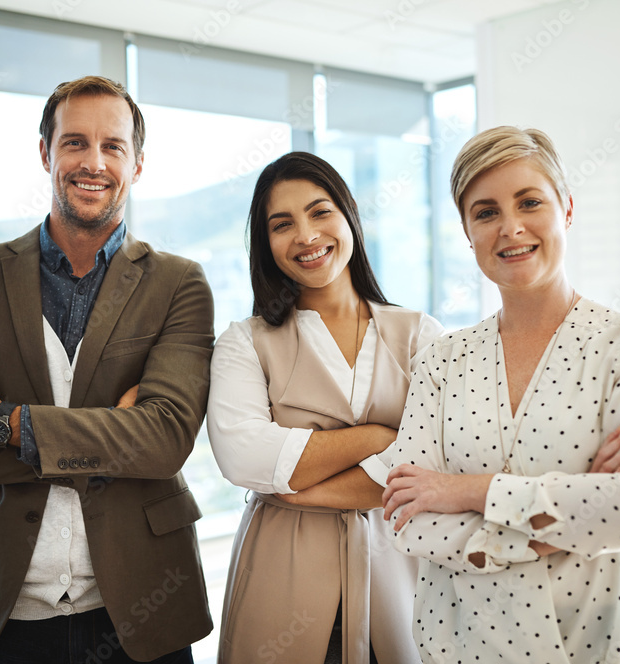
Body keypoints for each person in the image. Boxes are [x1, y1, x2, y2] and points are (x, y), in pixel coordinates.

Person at [0, 76, 214, 663]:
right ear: (46, 153)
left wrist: (2, 422)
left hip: (142, 600)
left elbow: (163, 442)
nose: (93, 162)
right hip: (4, 610)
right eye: (74, 142)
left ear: (138, 163)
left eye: (113, 146)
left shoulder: (179, 283)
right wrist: (110, 432)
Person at [381, 126, 620, 663]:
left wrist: (467, 490)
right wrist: (561, 520)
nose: (511, 228)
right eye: (486, 212)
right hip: (464, 645)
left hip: (603, 640)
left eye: (530, 202)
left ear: (567, 209)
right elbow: (410, 519)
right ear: (467, 231)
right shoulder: (441, 361)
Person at [206, 152, 442, 664]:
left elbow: (437, 460)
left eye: (319, 212)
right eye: (282, 224)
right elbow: (245, 457)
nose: (306, 236)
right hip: (281, 574)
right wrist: (378, 440)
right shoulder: (245, 342)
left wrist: (299, 489)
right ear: (265, 244)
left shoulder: (421, 335)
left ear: (348, 215)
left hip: (402, 571)